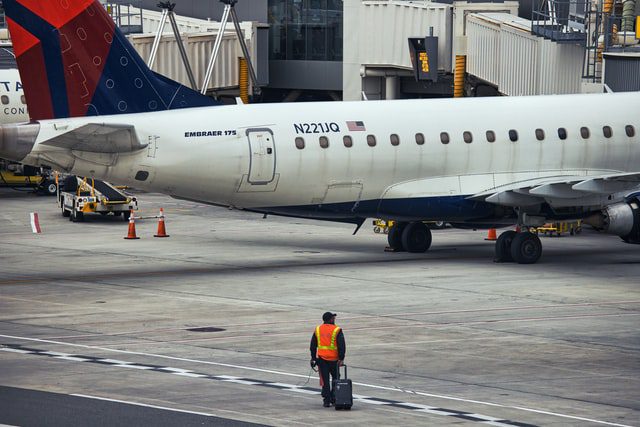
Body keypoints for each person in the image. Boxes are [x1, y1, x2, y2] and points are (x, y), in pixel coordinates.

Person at [310, 311, 346, 407]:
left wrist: (313, 358)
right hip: (334, 360)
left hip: (322, 359)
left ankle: (326, 401)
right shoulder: (337, 330)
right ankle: (334, 398)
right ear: (330, 319)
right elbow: (341, 345)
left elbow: (313, 345)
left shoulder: (318, 329)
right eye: (333, 318)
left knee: (325, 381)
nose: (334, 320)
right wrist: (341, 358)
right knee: (336, 378)